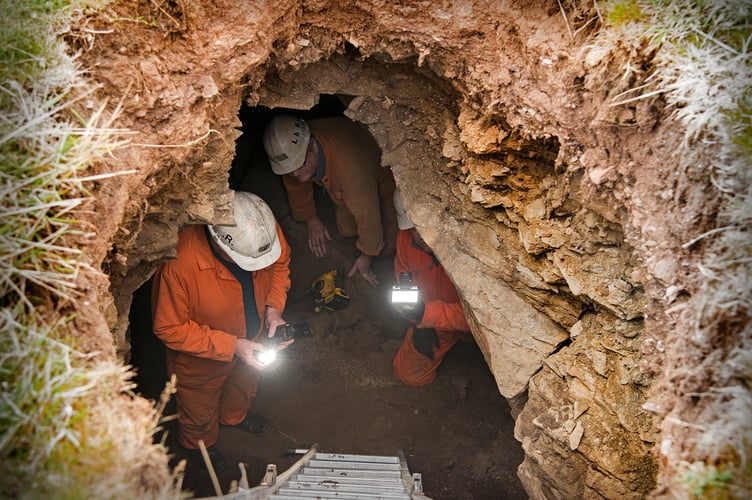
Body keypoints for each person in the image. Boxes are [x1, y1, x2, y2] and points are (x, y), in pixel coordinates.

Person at [151, 191, 292, 471]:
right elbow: (168, 327)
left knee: (242, 386)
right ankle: (199, 445)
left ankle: (234, 417)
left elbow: (279, 266)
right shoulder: (180, 264)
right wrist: (232, 346)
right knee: (198, 407)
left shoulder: (263, 232)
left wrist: (273, 309)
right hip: (202, 358)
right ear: (219, 242)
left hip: (252, 340)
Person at [262, 114, 398, 287]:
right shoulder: (296, 150)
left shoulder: (350, 170)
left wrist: (367, 256)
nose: (294, 174)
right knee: (347, 230)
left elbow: (368, 215)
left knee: (384, 246)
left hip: (381, 182)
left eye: (299, 166)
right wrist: (311, 219)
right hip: (344, 186)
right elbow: (296, 184)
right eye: (289, 170)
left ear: (313, 147)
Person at [390, 189, 475, 387]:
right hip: (434, 321)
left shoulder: (466, 250)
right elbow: (403, 281)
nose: (419, 235)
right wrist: (417, 320)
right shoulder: (405, 239)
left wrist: (426, 314)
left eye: (422, 226)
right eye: (412, 228)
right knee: (408, 375)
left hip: (470, 328)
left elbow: (482, 320)